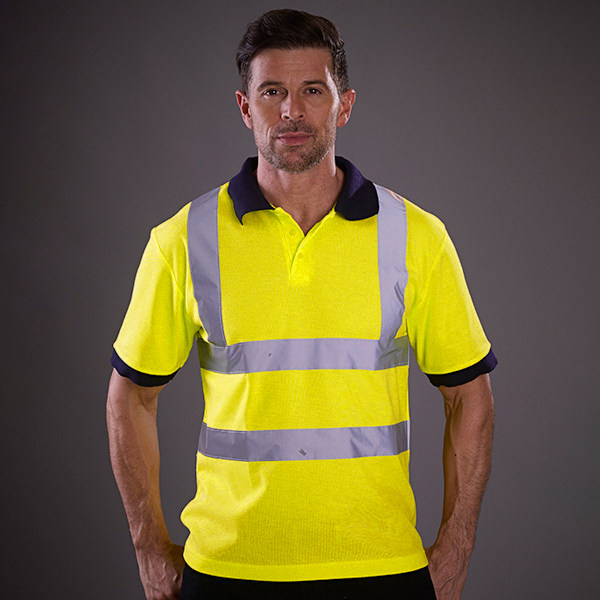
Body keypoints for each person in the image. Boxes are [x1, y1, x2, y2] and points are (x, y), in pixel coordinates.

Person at [107, 9, 496, 600]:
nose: (292, 111)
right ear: (246, 108)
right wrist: (148, 548)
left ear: (344, 105)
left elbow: (470, 395)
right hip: (228, 569)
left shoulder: (415, 236)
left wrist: (457, 545)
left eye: (313, 90)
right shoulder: (184, 240)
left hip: (380, 567)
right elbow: (131, 395)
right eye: (273, 92)